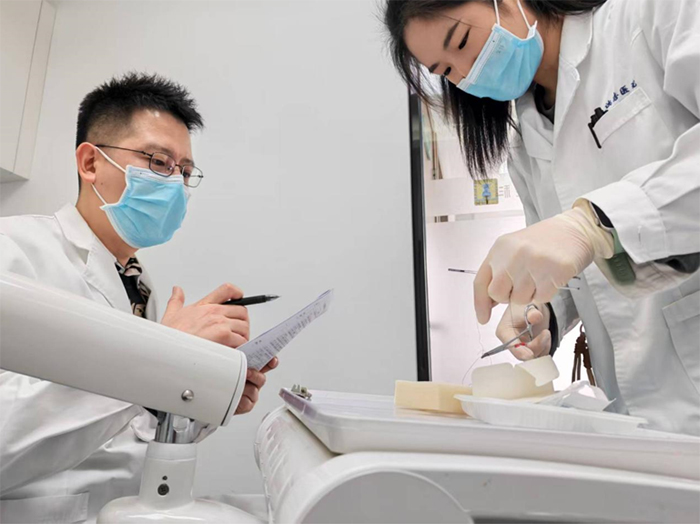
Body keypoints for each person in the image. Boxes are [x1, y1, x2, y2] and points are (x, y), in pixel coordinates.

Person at [384, 0, 699, 434]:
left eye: (462, 41)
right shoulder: (525, 141)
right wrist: (541, 309)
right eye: (448, 71)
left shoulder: (651, 16)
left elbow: (584, 235)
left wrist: (594, 224)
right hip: (640, 420)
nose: (469, 74)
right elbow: (571, 266)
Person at [0, 72, 278, 523]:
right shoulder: (13, 250)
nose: (176, 184)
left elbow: (126, 430)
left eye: (184, 172)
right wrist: (163, 356)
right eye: (158, 161)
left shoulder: (138, 282)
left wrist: (206, 392)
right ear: (91, 163)